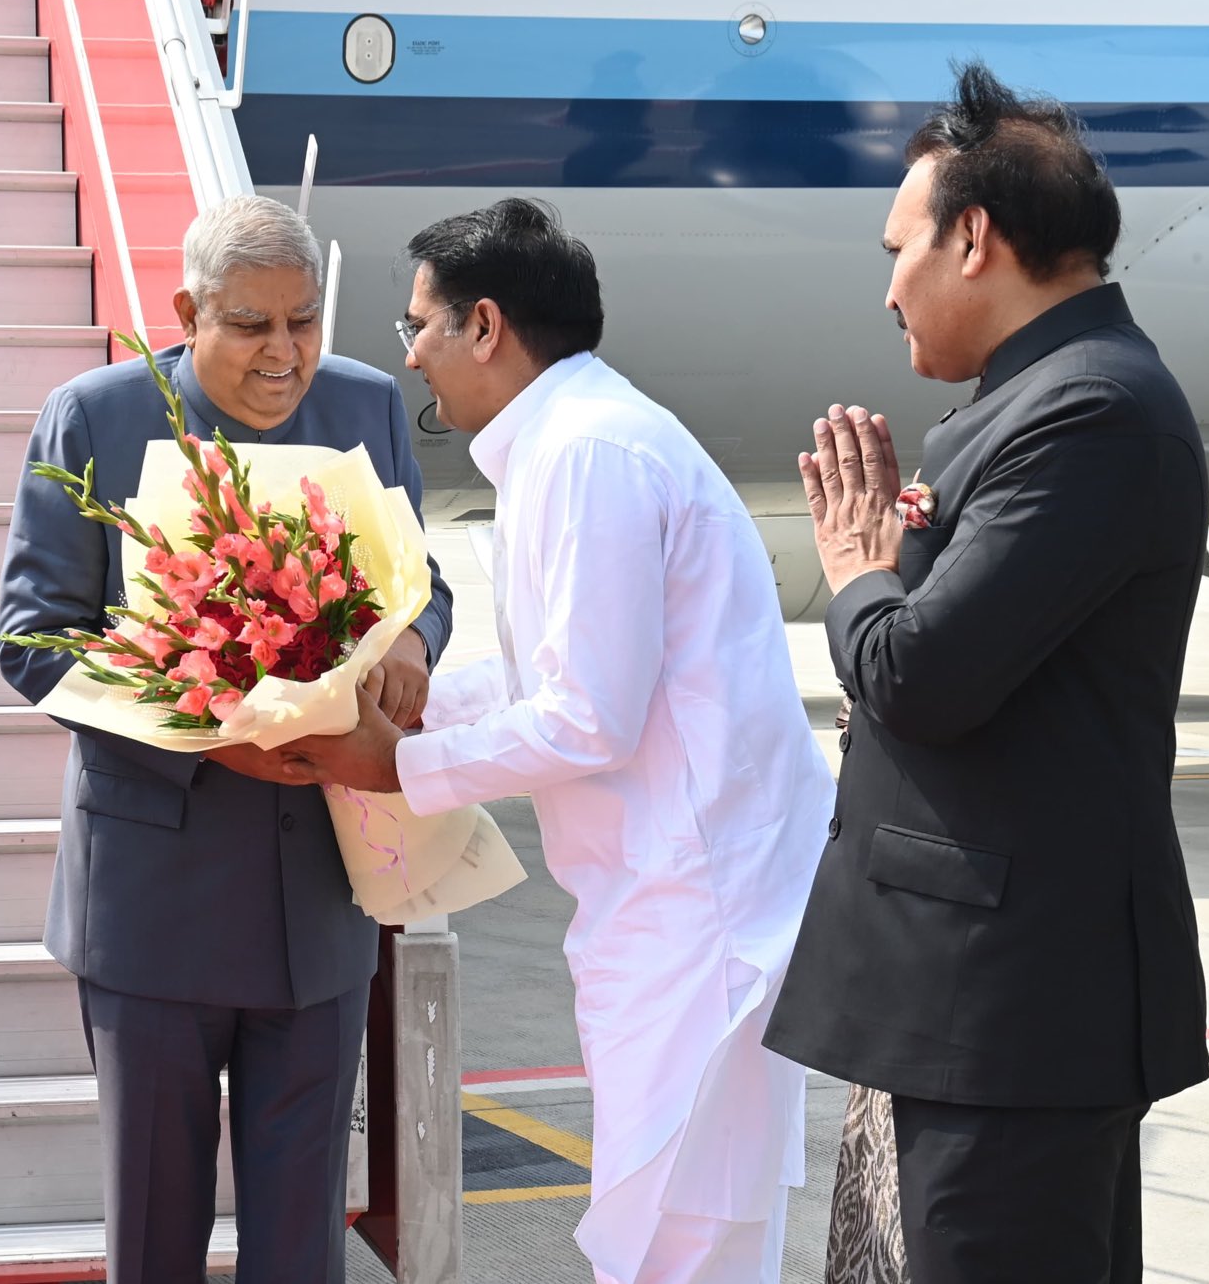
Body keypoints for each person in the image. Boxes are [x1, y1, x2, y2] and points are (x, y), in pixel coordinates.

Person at [286, 198, 831, 1284]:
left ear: (483, 325)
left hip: (694, 906)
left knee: (679, 1231)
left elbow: (586, 716)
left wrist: (393, 762)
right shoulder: (571, 440)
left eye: (417, 328)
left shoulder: (589, 453)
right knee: (680, 1218)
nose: (412, 360)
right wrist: (406, 691)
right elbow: (553, 677)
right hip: (668, 895)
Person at [761, 63, 1209, 1284]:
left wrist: (854, 567)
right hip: (958, 1007)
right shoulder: (1034, 400)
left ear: (973, 238)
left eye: (897, 245)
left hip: (1008, 1021)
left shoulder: (1092, 414)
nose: (887, 284)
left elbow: (918, 673)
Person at [0, 194, 453, 1283]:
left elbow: (419, 581)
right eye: (251, 325)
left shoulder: (365, 406)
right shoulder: (94, 417)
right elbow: (35, 640)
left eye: (304, 322)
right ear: (185, 310)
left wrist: (413, 647)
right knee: (155, 1230)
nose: (283, 353)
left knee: (300, 1240)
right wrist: (208, 734)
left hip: (317, 886)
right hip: (154, 886)